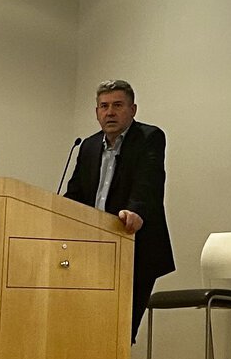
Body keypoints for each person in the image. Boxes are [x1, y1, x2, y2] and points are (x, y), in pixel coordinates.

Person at [61, 80, 174, 332]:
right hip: (92, 251)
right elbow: (75, 194)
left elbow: (149, 183)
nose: (110, 112)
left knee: (120, 332)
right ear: (97, 112)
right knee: (90, 329)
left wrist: (136, 210)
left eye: (117, 105)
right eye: (104, 106)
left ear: (133, 109)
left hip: (134, 247)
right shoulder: (88, 146)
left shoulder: (149, 138)